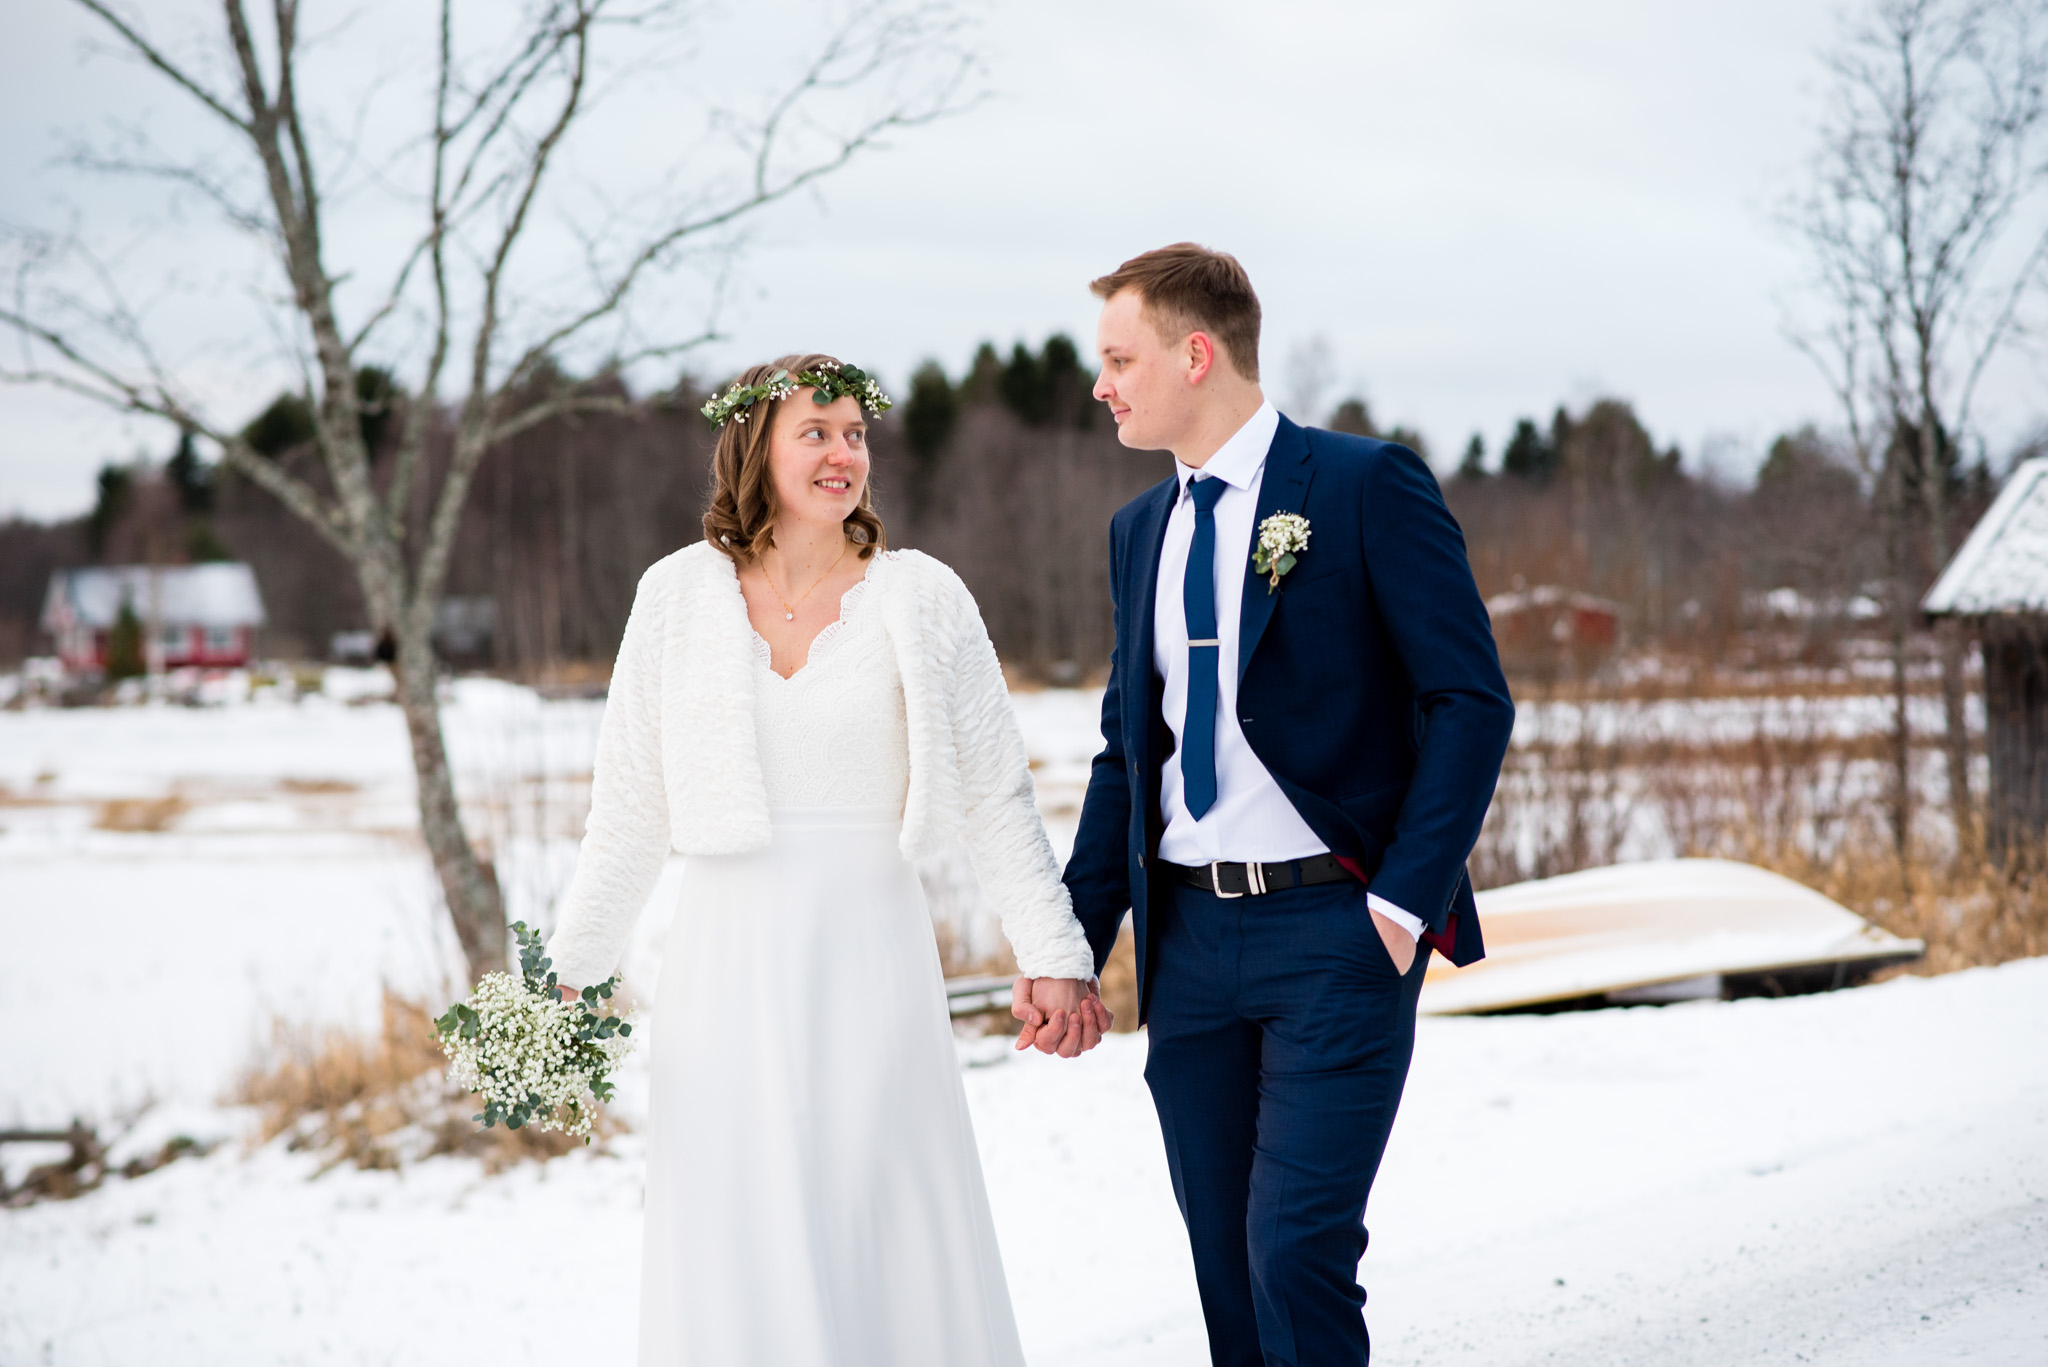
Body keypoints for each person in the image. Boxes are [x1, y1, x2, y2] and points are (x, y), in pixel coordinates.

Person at [541, 353, 1112, 1366]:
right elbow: (627, 813)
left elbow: (995, 795)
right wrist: (567, 976)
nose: (843, 452)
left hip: (870, 958)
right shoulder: (674, 596)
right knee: (736, 1229)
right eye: (815, 431)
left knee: (878, 1215)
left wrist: (1054, 952)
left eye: (855, 433)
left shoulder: (923, 597)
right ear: (754, 445)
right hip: (724, 968)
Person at [1019, 246, 1514, 1366]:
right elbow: (1127, 753)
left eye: (1119, 359)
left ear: (1195, 354)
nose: (1101, 384)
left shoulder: (1362, 485)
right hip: (1188, 947)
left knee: (1294, 1253)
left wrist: (1401, 901)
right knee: (1228, 1273)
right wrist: (1069, 944)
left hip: (1337, 930)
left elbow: (1469, 700)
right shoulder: (1138, 530)